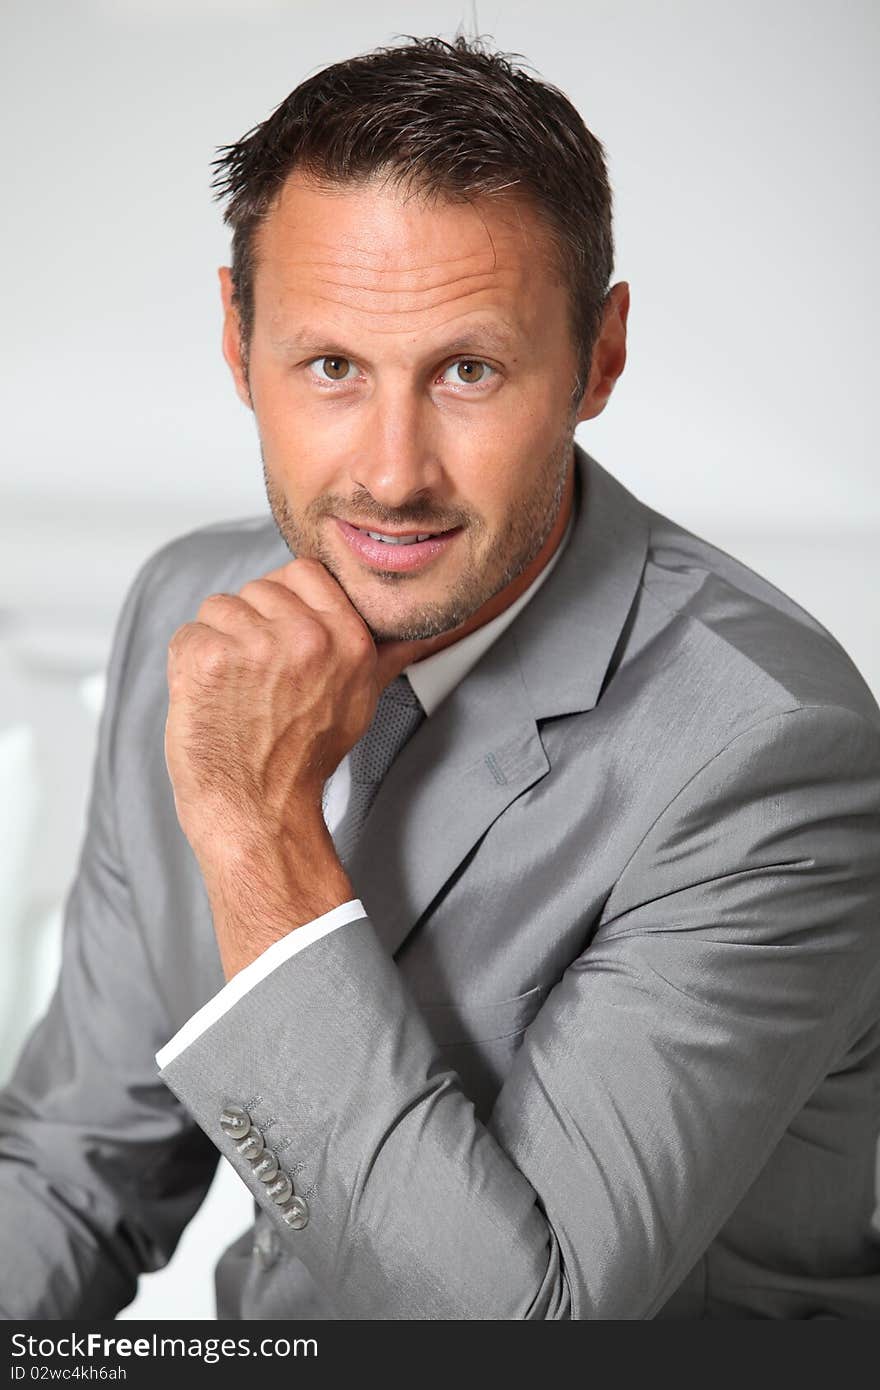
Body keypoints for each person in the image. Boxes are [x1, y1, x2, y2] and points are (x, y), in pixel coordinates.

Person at [1, 33, 879, 1323]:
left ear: (598, 357)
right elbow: (79, 1170)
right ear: (238, 345)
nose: (395, 471)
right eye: (333, 368)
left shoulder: (773, 753)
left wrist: (257, 830)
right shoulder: (189, 615)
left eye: (469, 370)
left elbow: (524, 1327)